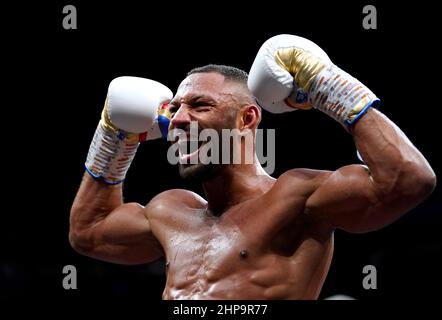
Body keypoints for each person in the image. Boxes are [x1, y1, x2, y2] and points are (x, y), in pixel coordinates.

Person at [69, 34, 436, 299]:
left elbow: (407, 179)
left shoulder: (296, 198)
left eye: (199, 105)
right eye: (174, 109)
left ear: (247, 119)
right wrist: (113, 138)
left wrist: (327, 85)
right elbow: (88, 232)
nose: (177, 120)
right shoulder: (170, 210)